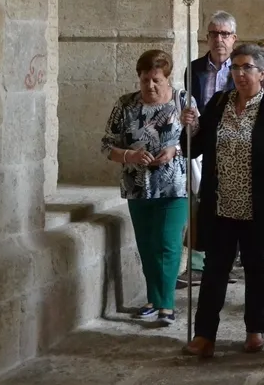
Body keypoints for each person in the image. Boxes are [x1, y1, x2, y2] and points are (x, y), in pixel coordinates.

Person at [181, 44, 264, 357]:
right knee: (214, 271)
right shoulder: (219, 102)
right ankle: (205, 335)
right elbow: (194, 148)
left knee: (257, 267)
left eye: (247, 67)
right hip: (221, 203)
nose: (239, 73)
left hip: (259, 204)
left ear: (263, 73)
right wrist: (189, 127)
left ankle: (255, 330)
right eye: (235, 67)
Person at [101, 49, 192, 325]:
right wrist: (130, 156)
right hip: (137, 186)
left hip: (174, 186)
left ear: (167, 78)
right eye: (145, 80)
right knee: (147, 244)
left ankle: (167, 304)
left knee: (168, 243)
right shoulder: (125, 105)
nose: (150, 86)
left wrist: (174, 149)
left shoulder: (183, 101)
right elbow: (106, 144)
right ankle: (153, 299)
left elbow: (197, 139)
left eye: (156, 80)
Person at [178, 11, 238, 288]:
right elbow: (190, 101)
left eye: (225, 34)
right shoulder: (195, 68)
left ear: (234, 39)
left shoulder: (240, 68)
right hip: (203, 142)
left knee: (232, 201)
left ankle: (229, 260)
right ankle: (199, 265)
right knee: (200, 202)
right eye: (214, 33)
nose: (219, 39)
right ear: (207, 37)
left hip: (234, 143)